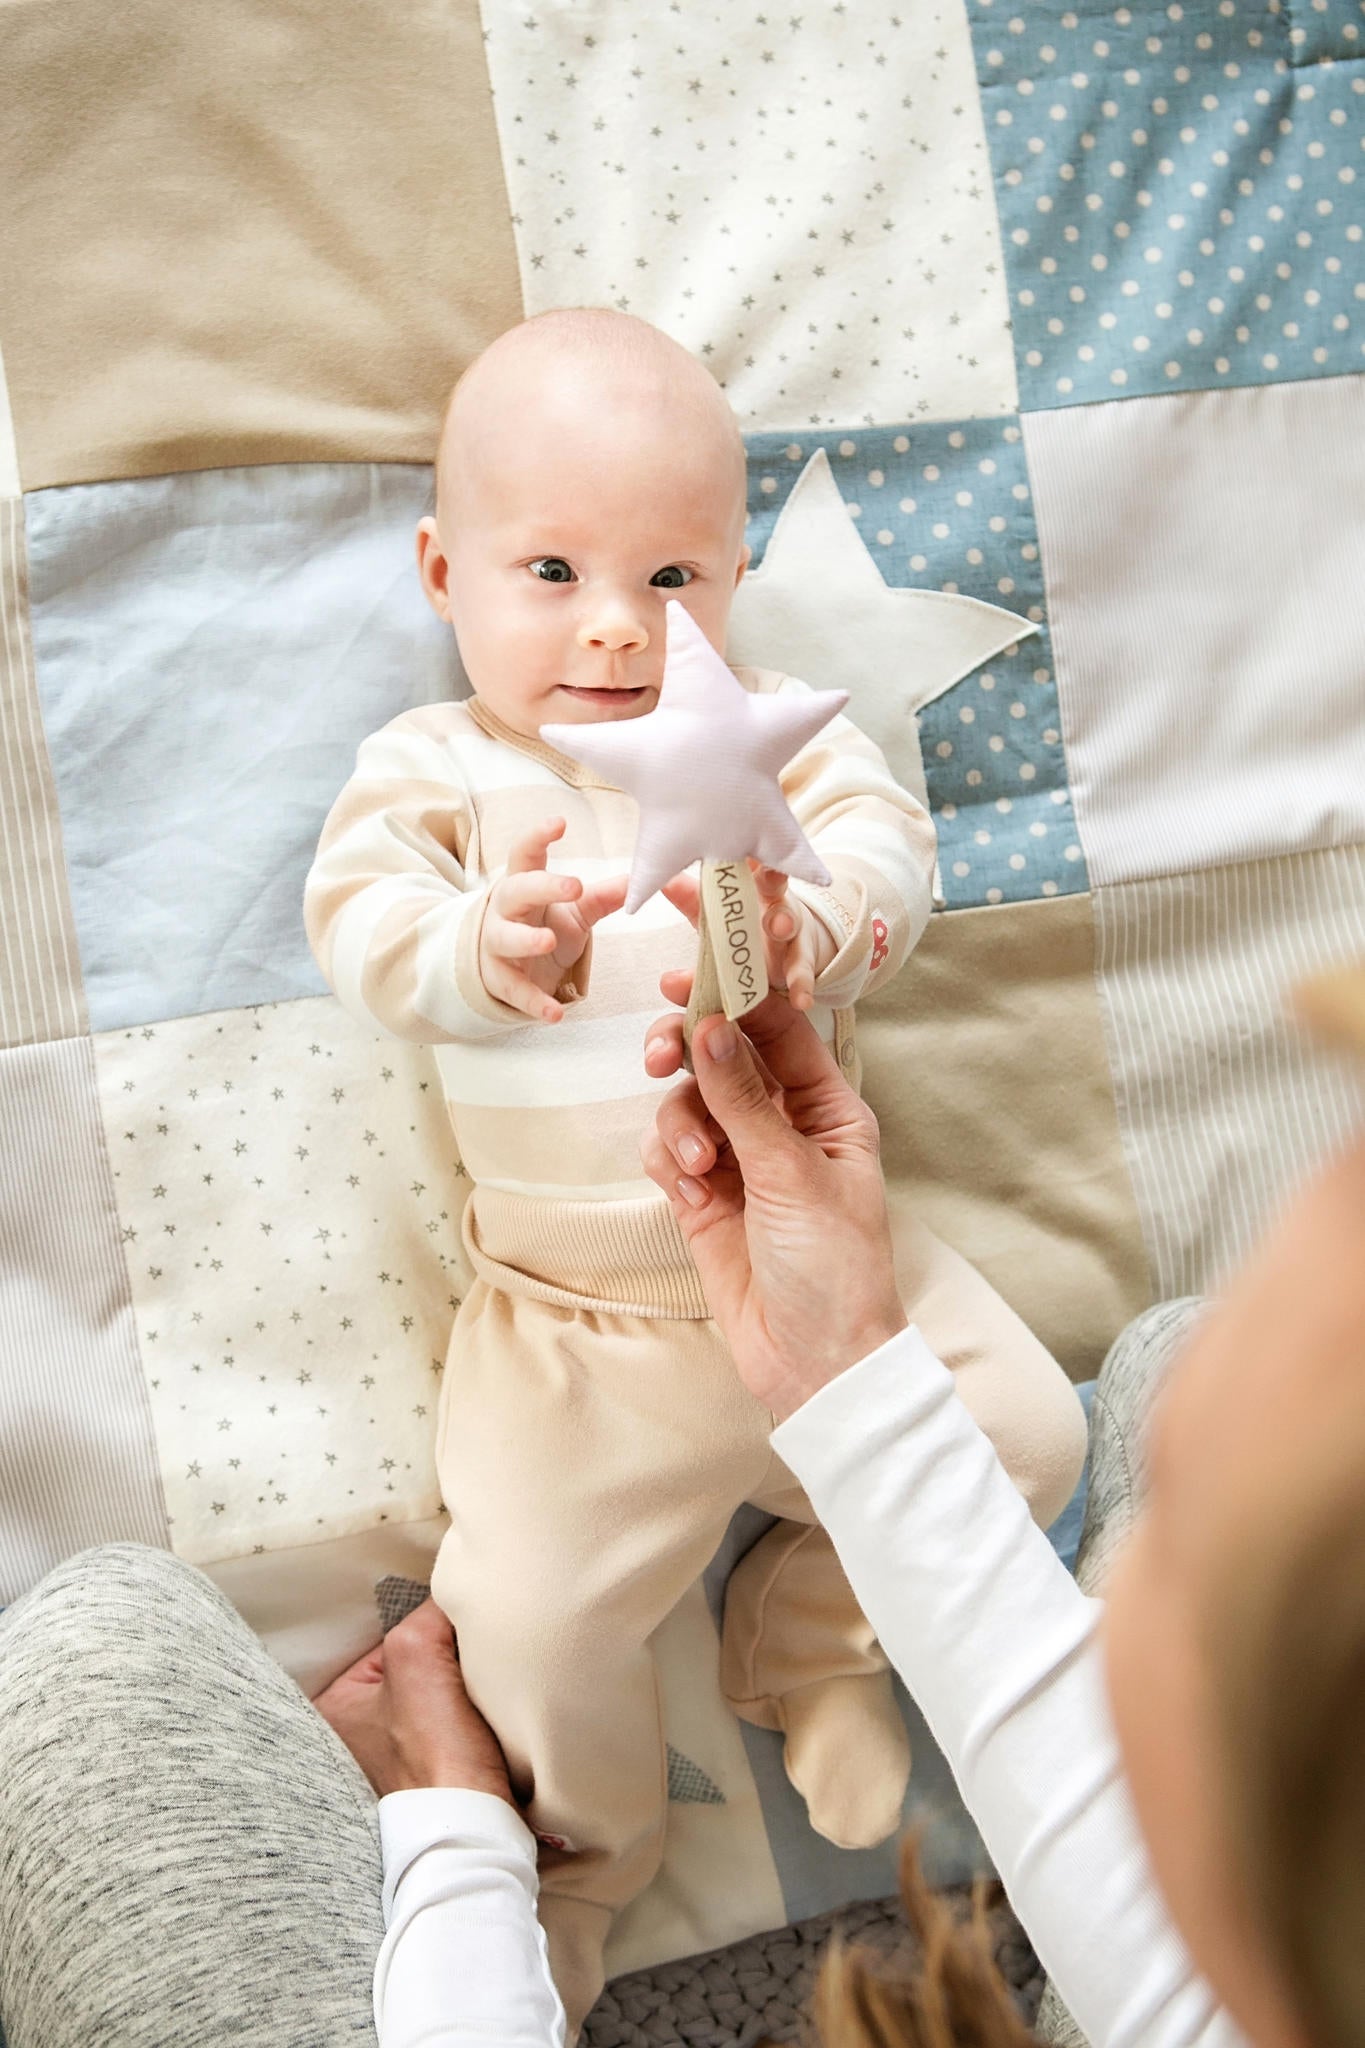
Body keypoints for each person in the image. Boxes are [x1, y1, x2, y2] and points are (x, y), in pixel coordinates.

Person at [0, 984, 1362, 2046]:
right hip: (590, 1320)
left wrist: (461, 1837)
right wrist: (845, 1368)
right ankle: (646, 1800)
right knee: (1184, 1351)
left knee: (96, 1656)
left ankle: (736, 1712)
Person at [301, 304, 1086, 2026]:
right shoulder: (438, 770)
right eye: (552, 571)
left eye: (670, 579)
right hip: (576, 1336)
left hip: (839, 1278)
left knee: (1032, 1432)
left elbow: (891, 853)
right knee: (518, 1613)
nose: (614, 629)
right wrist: (476, 951)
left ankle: (803, 1641)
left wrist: (823, 919)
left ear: (731, 578)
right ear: (445, 573)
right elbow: (356, 926)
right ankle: (584, 1861)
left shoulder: (782, 740)